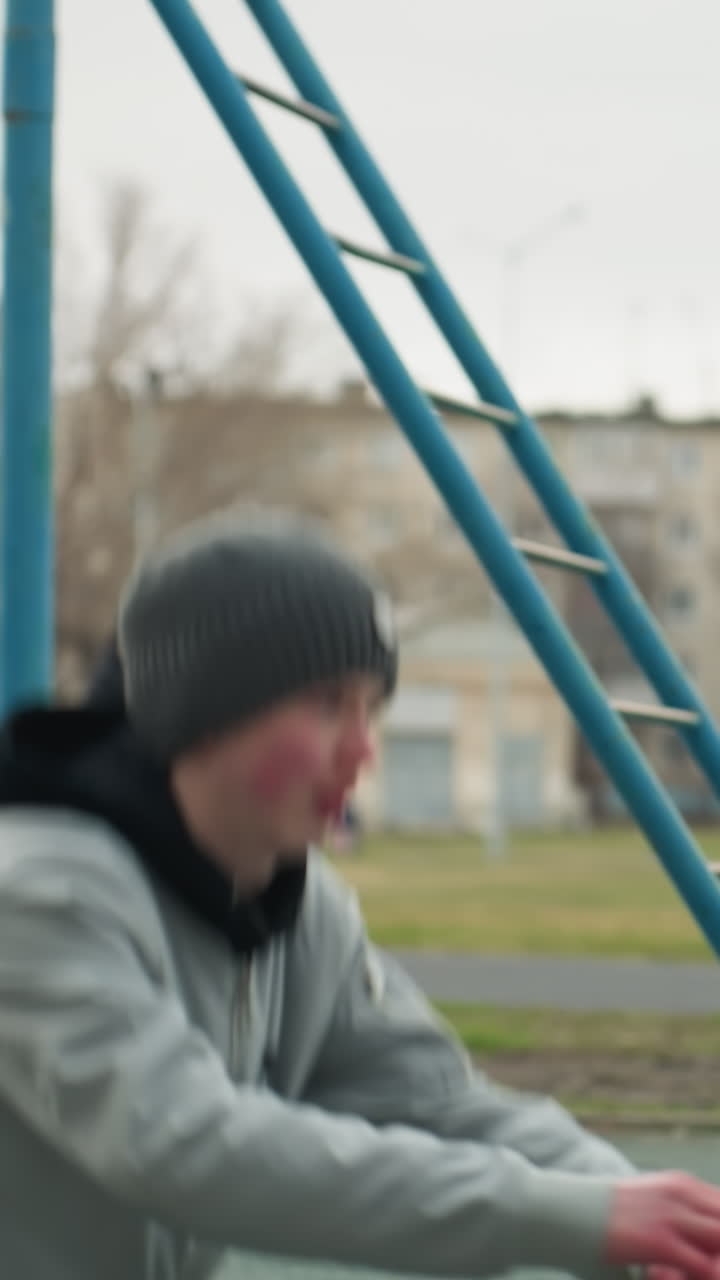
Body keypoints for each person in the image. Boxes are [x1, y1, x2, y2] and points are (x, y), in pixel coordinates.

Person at [0, 510, 720, 1280]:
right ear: (200, 713)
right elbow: (181, 1142)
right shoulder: (38, 893)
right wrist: (571, 1217)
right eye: (326, 704)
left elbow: (437, 1103)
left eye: (373, 708)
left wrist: (648, 1220)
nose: (364, 748)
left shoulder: (298, 908)